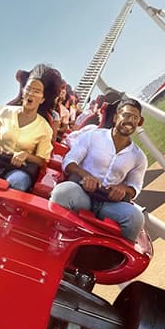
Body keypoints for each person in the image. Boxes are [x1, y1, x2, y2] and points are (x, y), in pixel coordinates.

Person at [49, 98, 147, 241]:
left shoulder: (139, 157)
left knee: (136, 218)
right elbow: (69, 162)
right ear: (115, 117)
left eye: (135, 118)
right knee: (62, 192)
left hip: (109, 204)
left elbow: (134, 188)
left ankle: (109, 259)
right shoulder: (92, 136)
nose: (130, 121)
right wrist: (86, 176)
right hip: (83, 193)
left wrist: (123, 189)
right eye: (126, 115)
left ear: (139, 122)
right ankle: (56, 239)